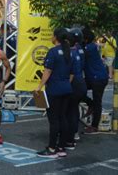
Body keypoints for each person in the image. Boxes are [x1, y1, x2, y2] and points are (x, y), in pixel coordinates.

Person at [35, 28, 73, 158]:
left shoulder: (53, 52)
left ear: (56, 37)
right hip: (66, 88)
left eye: (52, 35)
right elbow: (72, 73)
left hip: (55, 89)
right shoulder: (70, 52)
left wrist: (39, 86)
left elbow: (48, 71)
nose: (51, 37)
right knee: (63, 117)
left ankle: (51, 149)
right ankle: (61, 147)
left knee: (54, 119)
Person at [82, 28, 109, 134]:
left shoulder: (90, 47)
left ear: (86, 38)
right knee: (78, 90)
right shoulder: (89, 46)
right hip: (92, 77)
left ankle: (94, 126)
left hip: (99, 78)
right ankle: (90, 104)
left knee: (98, 102)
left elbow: (80, 52)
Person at [65, 31, 87, 149]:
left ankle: (70, 136)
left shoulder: (69, 53)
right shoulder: (80, 50)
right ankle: (74, 133)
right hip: (81, 83)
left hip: (73, 84)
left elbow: (69, 72)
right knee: (74, 109)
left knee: (69, 110)